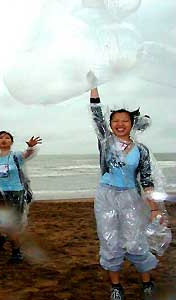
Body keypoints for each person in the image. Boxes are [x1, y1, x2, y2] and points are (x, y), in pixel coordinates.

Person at [88, 75, 164, 299]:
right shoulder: (105, 142)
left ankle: (146, 281)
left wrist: (153, 208)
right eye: (115, 121)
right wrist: (93, 87)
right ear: (110, 125)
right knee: (109, 239)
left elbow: (147, 181)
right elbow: (96, 115)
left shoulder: (141, 150)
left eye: (125, 121)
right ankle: (116, 286)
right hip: (106, 196)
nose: (120, 124)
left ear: (132, 124)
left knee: (135, 241)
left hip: (131, 197)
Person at [0, 131, 42, 263]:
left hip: (15, 193)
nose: (3, 140)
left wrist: (30, 147)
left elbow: (27, 154)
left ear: (11, 142)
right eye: (0, 138)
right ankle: (0, 239)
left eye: (7, 138)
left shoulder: (16, 156)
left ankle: (16, 251)